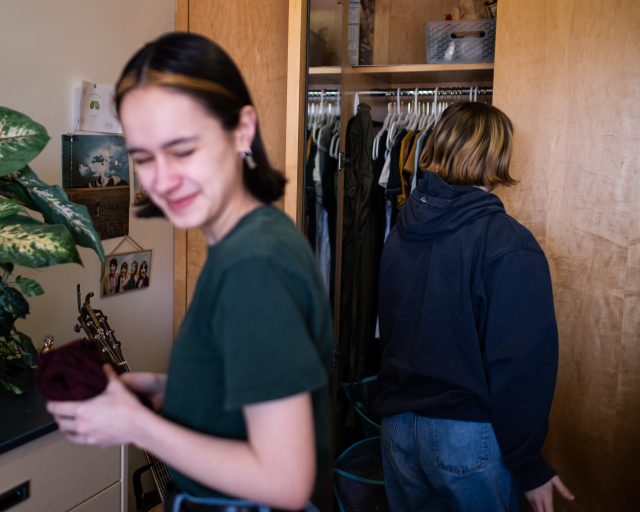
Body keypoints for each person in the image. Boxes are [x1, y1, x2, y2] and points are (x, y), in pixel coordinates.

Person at [46, 32, 334, 512]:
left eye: (182, 149)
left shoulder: (252, 263)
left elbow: (286, 480)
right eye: (142, 157)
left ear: (242, 131)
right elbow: (261, 381)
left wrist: (135, 426)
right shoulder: (257, 235)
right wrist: (176, 388)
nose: (161, 179)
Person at [372, 102, 575, 512]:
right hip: (465, 438)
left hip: (397, 432)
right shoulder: (508, 244)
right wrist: (528, 461)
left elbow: (391, 331)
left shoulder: (399, 234)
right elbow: (521, 363)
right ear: (497, 154)